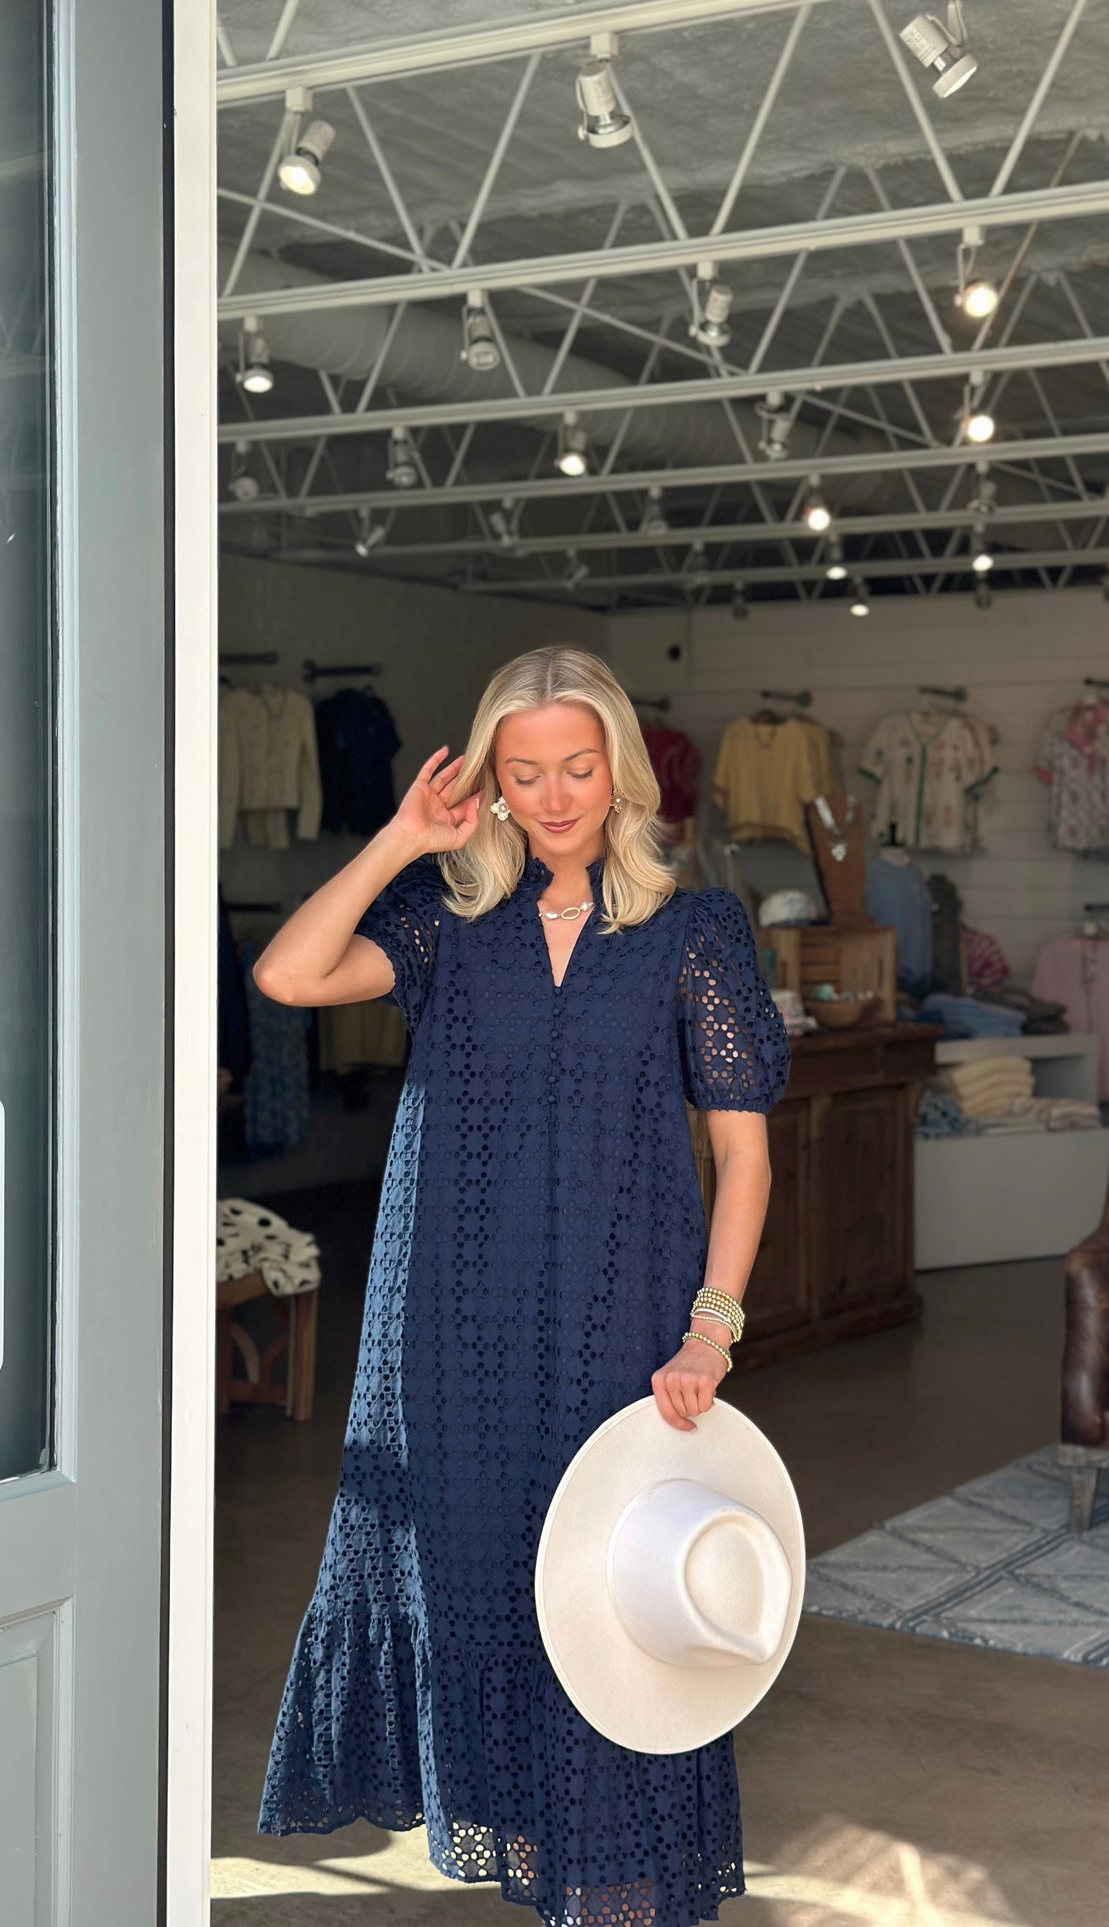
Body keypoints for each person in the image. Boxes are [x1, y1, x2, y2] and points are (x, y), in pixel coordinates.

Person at [253, 646, 791, 1927]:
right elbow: (285, 975)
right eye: (524, 771)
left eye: (577, 768)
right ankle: (545, 1875)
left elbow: (742, 1153)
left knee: (611, 1597)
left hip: (625, 1325)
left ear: (620, 773)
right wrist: (394, 842)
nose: (554, 797)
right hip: (452, 1331)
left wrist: (710, 1331)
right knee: (491, 1588)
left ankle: (613, 1896)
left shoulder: (690, 931)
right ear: (490, 782)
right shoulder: (445, 924)